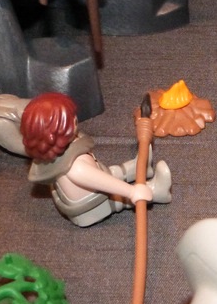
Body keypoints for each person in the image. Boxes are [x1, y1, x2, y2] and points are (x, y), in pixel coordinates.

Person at [20, 92, 171, 227]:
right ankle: (156, 190)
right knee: (116, 195)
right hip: (92, 205)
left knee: (111, 172)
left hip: (94, 181)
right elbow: (104, 182)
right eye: (71, 120)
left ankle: (140, 167)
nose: (76, 119)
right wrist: (132, 191)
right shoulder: (76, 168)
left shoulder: (55, 154)